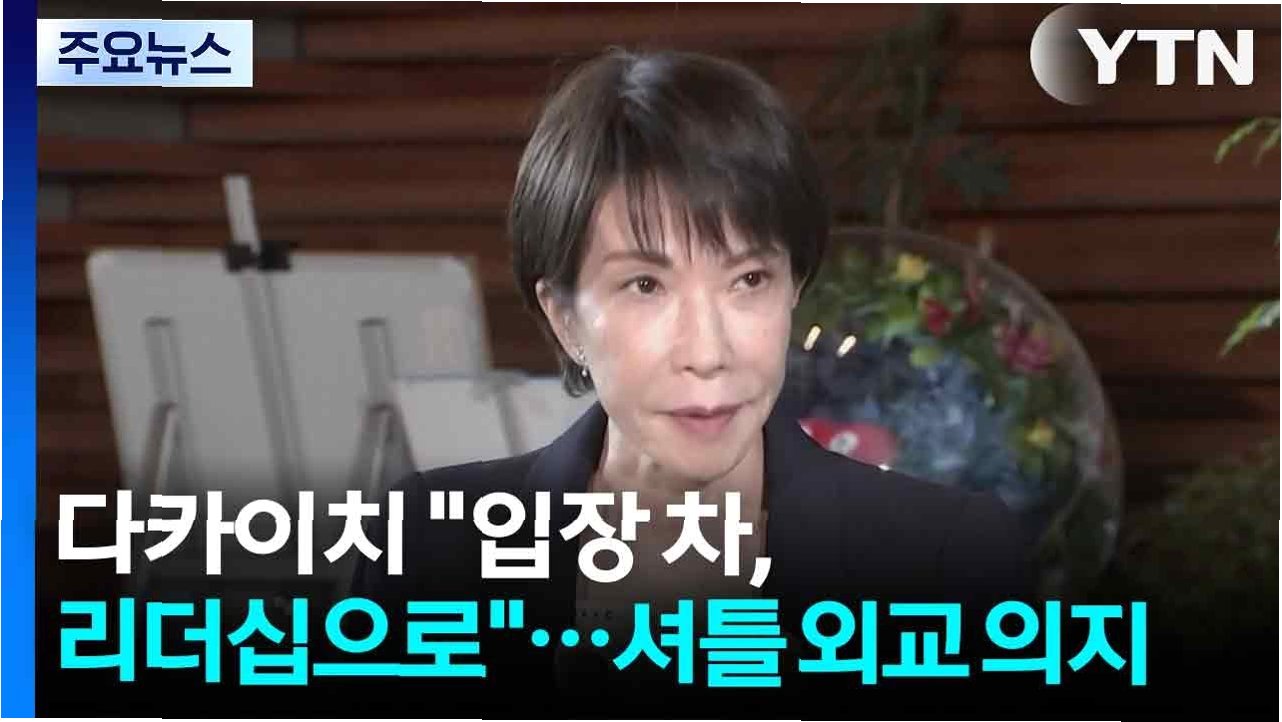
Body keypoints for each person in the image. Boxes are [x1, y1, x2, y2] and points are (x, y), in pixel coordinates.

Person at [348, 48, 1036, 717]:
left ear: (794, 290)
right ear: (565, 317)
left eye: (749, 280)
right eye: (645, 285)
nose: (707, 353)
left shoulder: (946, 560)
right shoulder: (430, 549)